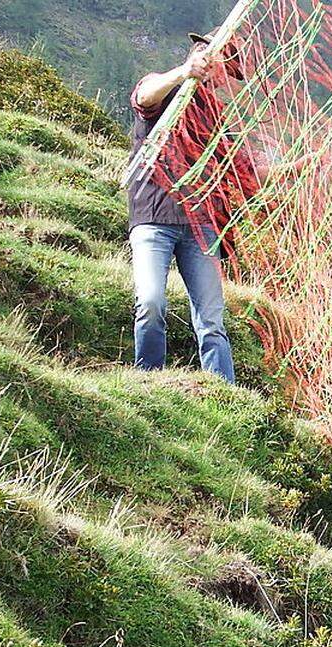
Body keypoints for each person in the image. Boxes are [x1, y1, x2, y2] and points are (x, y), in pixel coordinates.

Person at [126, 27, 235, 383]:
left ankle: (223, 392)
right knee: (151, 302)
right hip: (153, 217)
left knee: (212, 319)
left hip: (201, 226)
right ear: (200, 54)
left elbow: (243, 169)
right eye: (216, 61)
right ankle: (148, 381)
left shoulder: (215, 120)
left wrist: (297, 166)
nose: (217, 74)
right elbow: (144, 95)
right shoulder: (168, 92)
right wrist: (184, 73)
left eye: (225, 69)